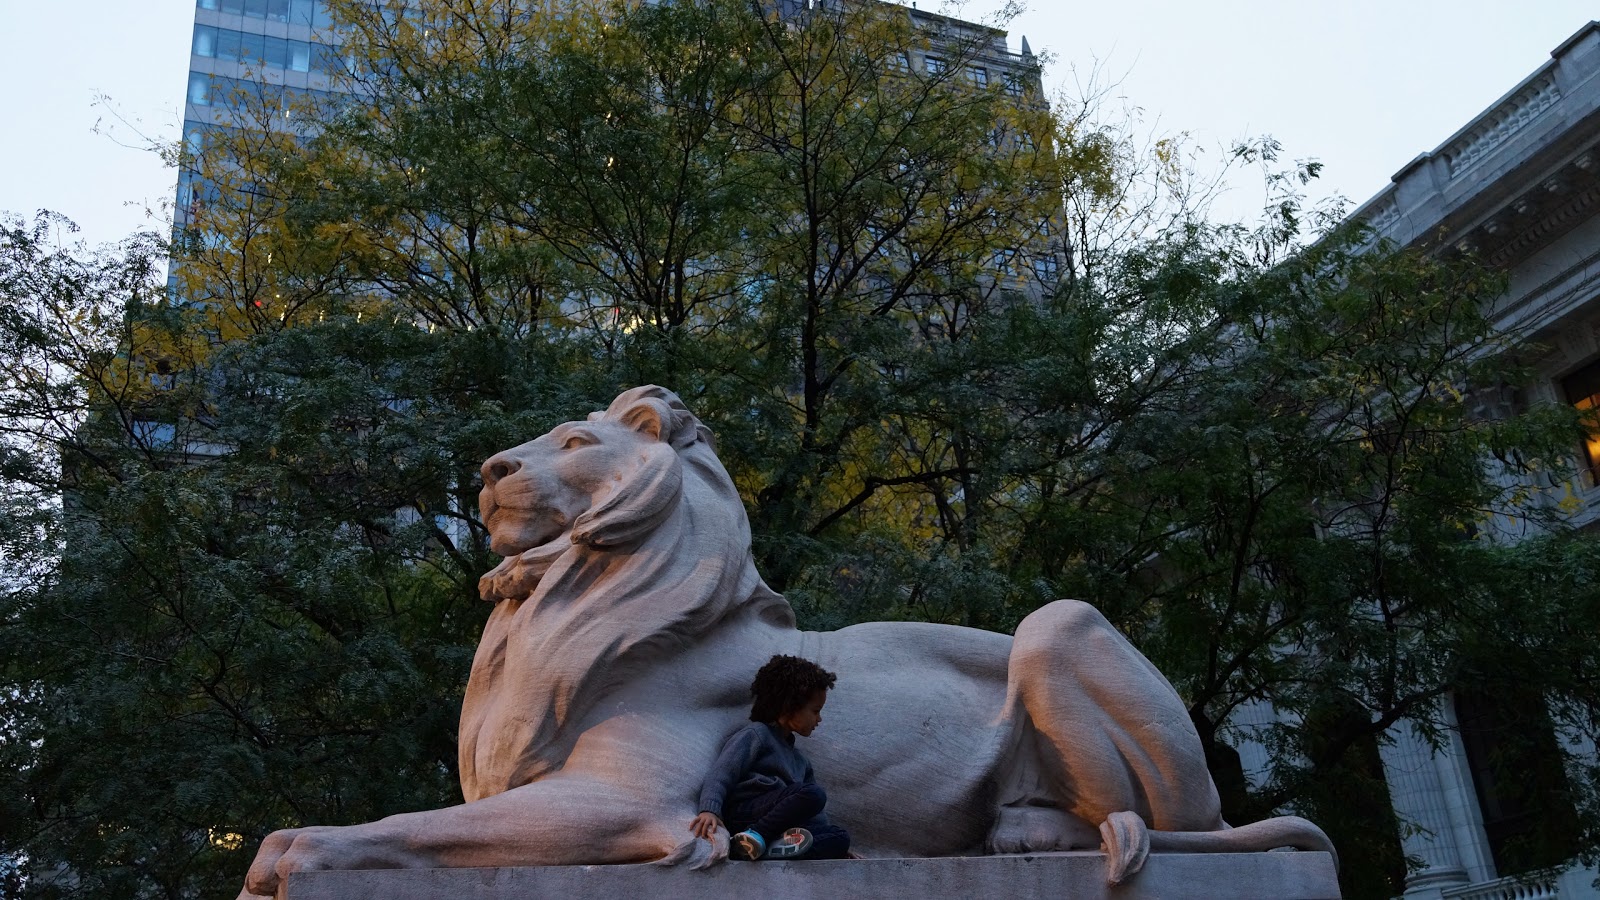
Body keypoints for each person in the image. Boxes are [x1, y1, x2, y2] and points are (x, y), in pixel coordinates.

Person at [689, 654, 852, 861]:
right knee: (814, 794)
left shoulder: (801, 761)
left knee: (840, 837)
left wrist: (834, 845)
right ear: (789, 706)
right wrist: (709, 810)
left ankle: (762, 848)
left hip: (780, 827)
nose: (819, 719)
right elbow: (722, 773)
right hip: (747, 813)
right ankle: (753, 836)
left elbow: (815, 816)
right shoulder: (757, 734)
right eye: (815, 711)